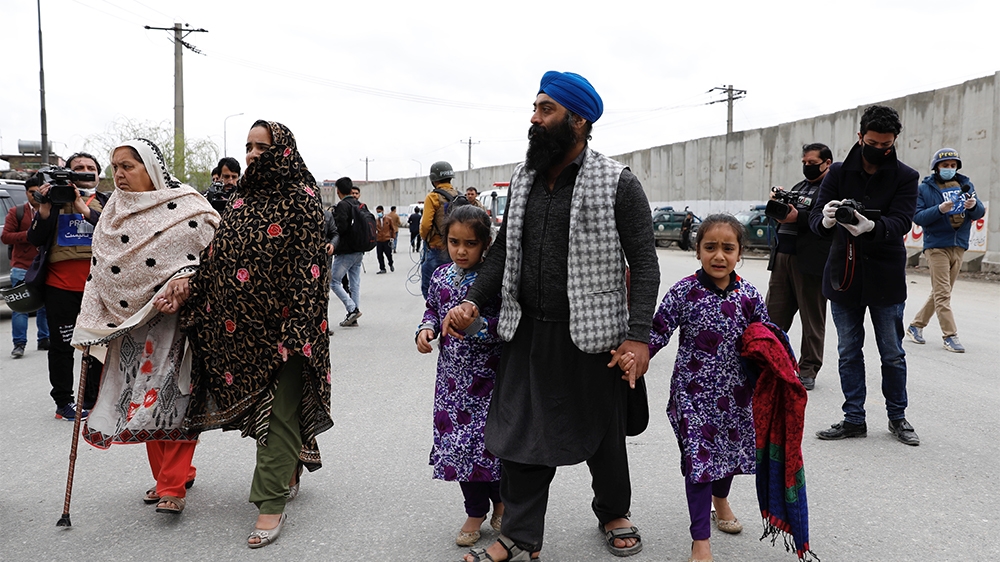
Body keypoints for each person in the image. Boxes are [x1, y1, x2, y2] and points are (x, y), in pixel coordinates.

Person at [445, 70, 660, 562]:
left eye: (546, 110)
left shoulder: (618, 182)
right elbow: (503, 252)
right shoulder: (524, 177)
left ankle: (614, 513)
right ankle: (520, 536)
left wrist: (638, 337)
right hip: (526, 329)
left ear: (577, 120)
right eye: (535, 108)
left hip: (594, 332)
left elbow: (645, 264)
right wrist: (473, 299)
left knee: (603, 433)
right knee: (521, 433)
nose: (535, 118)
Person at [165, 120, 333, 548]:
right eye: (249, 146)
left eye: (263, 147)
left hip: (287, 331)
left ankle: (269, 503)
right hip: (239, 333)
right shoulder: (241, 198)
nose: (254, 154)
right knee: (267, 413)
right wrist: (190, 286)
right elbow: (218, 257)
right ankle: (290, 464)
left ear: (284, 151)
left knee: (277, 414)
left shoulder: (303, 198)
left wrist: (296, 331)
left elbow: (310, 271)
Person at [72, 138, 220, 515]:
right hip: (131, 323)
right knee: (144, 399)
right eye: (115, 167)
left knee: (176, 398)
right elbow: (99, 270)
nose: (119, 174)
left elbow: (216, 258)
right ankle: (172, 475)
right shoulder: (112, 213)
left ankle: (172, 484)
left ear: (151, 169)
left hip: (179, 321)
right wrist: (90, 321)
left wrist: (187, 279)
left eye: (128, 166)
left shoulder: (189, 207)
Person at [639, 214, 768, 562]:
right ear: (697, 251)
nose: (719, 256)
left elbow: (766, 342)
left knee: (728, 455)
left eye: (728, 248)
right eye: (710, 247)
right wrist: (634, 358)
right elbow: (657, 331)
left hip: (736, 396)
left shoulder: (750, 296)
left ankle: (720, 500)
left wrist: (779, 375)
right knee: (700, 460)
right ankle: (701, 540)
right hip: (692, 394)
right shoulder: (684, 292)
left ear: (739, 253)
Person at [809, 105, 920, 446]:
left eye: (886, 144)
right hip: (844, 274)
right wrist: (826, 219)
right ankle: (854, 418)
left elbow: (902, 220)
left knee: (892, 353)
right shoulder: (838, 172)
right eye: (872, 143)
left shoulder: (906, 176)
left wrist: (873, 227)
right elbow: (815, 219)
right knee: (848, 351)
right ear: (860, 137)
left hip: (886, 276)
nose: (879, 149)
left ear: (895, 140)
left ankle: (898, 417)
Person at [416, 205, 504, 548]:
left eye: (470, 244)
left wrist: (474, 327)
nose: (461, 251)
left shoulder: (493, 280)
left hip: (489, 381)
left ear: (486, 244)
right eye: (454, 242)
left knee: (489, 447)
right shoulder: (440, 276)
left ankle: (501, 502)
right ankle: (475, 511)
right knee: (459, 447)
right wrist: (426, 329)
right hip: (451, 384)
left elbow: (507, 325)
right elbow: (432, 309)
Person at [27, 152, 107, 421]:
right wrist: (44, 209)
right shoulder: (54, 200)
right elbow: (34, 238)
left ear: (97, 173)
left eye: (90, 167)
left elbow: (117, 234)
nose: (85, 170)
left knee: (96, 346)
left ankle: (91, 400)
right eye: (78, 167)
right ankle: (63, 402)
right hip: (59, 287)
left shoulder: (108, 202)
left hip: (97, 288)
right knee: (61, 347)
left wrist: (84, 208)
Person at [765, 143, 834, 390]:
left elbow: (827, 222)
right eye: (804, 163)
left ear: (827, 163)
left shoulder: (832, 189)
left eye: (812, 163)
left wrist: (799, 216)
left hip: (810, 261)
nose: (807, 167)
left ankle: (808, 369)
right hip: (782, 256)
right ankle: (768, 362)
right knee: (772, 315)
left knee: (812, 319)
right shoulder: (799, 187)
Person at [906, 148, 985, 353]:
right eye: (945, 165)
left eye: (953, 165)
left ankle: (916, 326)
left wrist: (973, 205)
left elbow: (978, 213)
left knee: (941, 292)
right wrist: (940, 209)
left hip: (959, 246)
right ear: (936, 167)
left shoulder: (966, 185)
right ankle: (950, 336)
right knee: (943, 294)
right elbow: (918, 217)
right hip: (936, 247)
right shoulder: (925, 189)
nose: (949, 168)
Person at [2, 174, 49, 358]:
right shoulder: (17, 212)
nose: (35, 195)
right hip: (22, 266)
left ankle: (44, 339)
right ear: (26, 193)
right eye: (31, 192)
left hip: (44, 266)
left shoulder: (50, 210)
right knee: (20, 307)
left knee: (44, 306)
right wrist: (30, 235)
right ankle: (19, 344)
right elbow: (6, 236)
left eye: (38, 192)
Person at [419, 161, 458, 298]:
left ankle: (436, 310)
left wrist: (425, 237)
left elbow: (425, 225)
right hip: (455, 249)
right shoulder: (459, 196)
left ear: (434, 180)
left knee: (429, 288)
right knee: (453, 287)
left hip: (437, 248)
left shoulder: (433, 197)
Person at [330, 176, 364, 326]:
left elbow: (341, 228)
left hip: (346, 251)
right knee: (354, 284)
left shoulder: (343, 205)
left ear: (338, 191)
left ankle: (352, 309)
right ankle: (353, 316)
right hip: (359, 250)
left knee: (333, 281)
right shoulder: (358, 204)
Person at [374, 205, 396, 274]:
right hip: (379, 240)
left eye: (379, 211)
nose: (378, 213)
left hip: (387, 239)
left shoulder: (388, 219)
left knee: (388, 254)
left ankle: (391, 263)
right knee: (379, 255)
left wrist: (392, 237)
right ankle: (382, 268)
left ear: (383, 211)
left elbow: (393, 229)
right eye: (377, 212)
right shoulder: (376, 221)